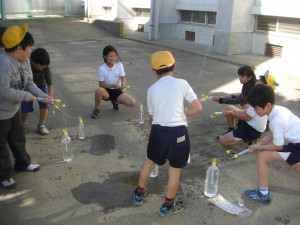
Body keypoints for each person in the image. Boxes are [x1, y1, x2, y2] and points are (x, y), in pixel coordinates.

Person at [133, 51, 202, 217]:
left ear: (154, 71)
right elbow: (198, 107)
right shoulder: (182, 83)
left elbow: (151, 118)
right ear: (175, 66)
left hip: (158, 131)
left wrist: (157, 132)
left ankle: (139, 195)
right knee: (174, 171)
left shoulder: (151, 89)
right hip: (178, 132)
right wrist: (184, 113)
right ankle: (167, 206)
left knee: (149, 163)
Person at [0, 23, 52, 189]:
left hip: (13, 109)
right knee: (1, 146)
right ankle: (4, 175)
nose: (31, 50)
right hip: (1, 112)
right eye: (29, 47)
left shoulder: (24, 61)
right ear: (19, 48)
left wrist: (43, 96)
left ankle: (23, 163)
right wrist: (24, 96)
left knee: (18, 138)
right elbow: (3, 89)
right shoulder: (4, 64)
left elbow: (29, 83)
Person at [244, 84, 300, 202]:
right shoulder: (280, 109)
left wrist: (258, 147)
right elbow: (286, 128)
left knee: (262, 156)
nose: (254, 111)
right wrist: (270, 137)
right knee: (292, 161)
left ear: (268, 105)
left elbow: (278, 146)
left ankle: (263, 194)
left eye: (256, 108)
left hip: (298, 146)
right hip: (296, 142)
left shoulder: (275, 121)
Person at [218, 78, 268, 147]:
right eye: (255, 85)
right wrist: (237, 111)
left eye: (258, 86)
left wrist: (231, 113)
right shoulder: (260, 97)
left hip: (251, 130)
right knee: (230, 108)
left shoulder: (258, 101)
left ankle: (247, 139)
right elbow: (248, 111)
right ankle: (232, 130)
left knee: (222, 141)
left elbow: (247, 117)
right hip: (249, 122)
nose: (254, 87)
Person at [91, 45, 136, 118]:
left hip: (117, 90)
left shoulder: (119, 65)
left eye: (115, 56)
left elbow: (123, 77)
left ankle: (115, 101)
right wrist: (112, 85)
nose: (113, 58)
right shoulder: (101, 69)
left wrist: (123, 85)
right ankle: (97, 109)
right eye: (110, 56)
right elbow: (101, 84)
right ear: (105, 57)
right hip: (106, 91)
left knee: (132, 103)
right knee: (98, 91)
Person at [212, 66, 257, 134]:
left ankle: (246, 128)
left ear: (250, 77)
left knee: (244, 107)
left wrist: (220, 99)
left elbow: (237, 100)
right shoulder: (248, 84)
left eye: (242, 77)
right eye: (239, 76)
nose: (239, 79)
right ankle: (231, 129)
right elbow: (241, 97)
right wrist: (231, 96)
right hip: (249, 112)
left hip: (253, 114)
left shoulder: (251, 88)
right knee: (229, 108)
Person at [20, 48, 53, 135]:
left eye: (45, 65)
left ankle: (41, 125)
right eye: (41, 65)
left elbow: (50, 84)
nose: (43, 67)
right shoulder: (27, 66)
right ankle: (22, 124)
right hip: (27, 87)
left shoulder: (46, 68)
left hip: (41, 86)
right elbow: (26, 84)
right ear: (33, 62)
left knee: (45, 106)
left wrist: (50, 96)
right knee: (25, 108)